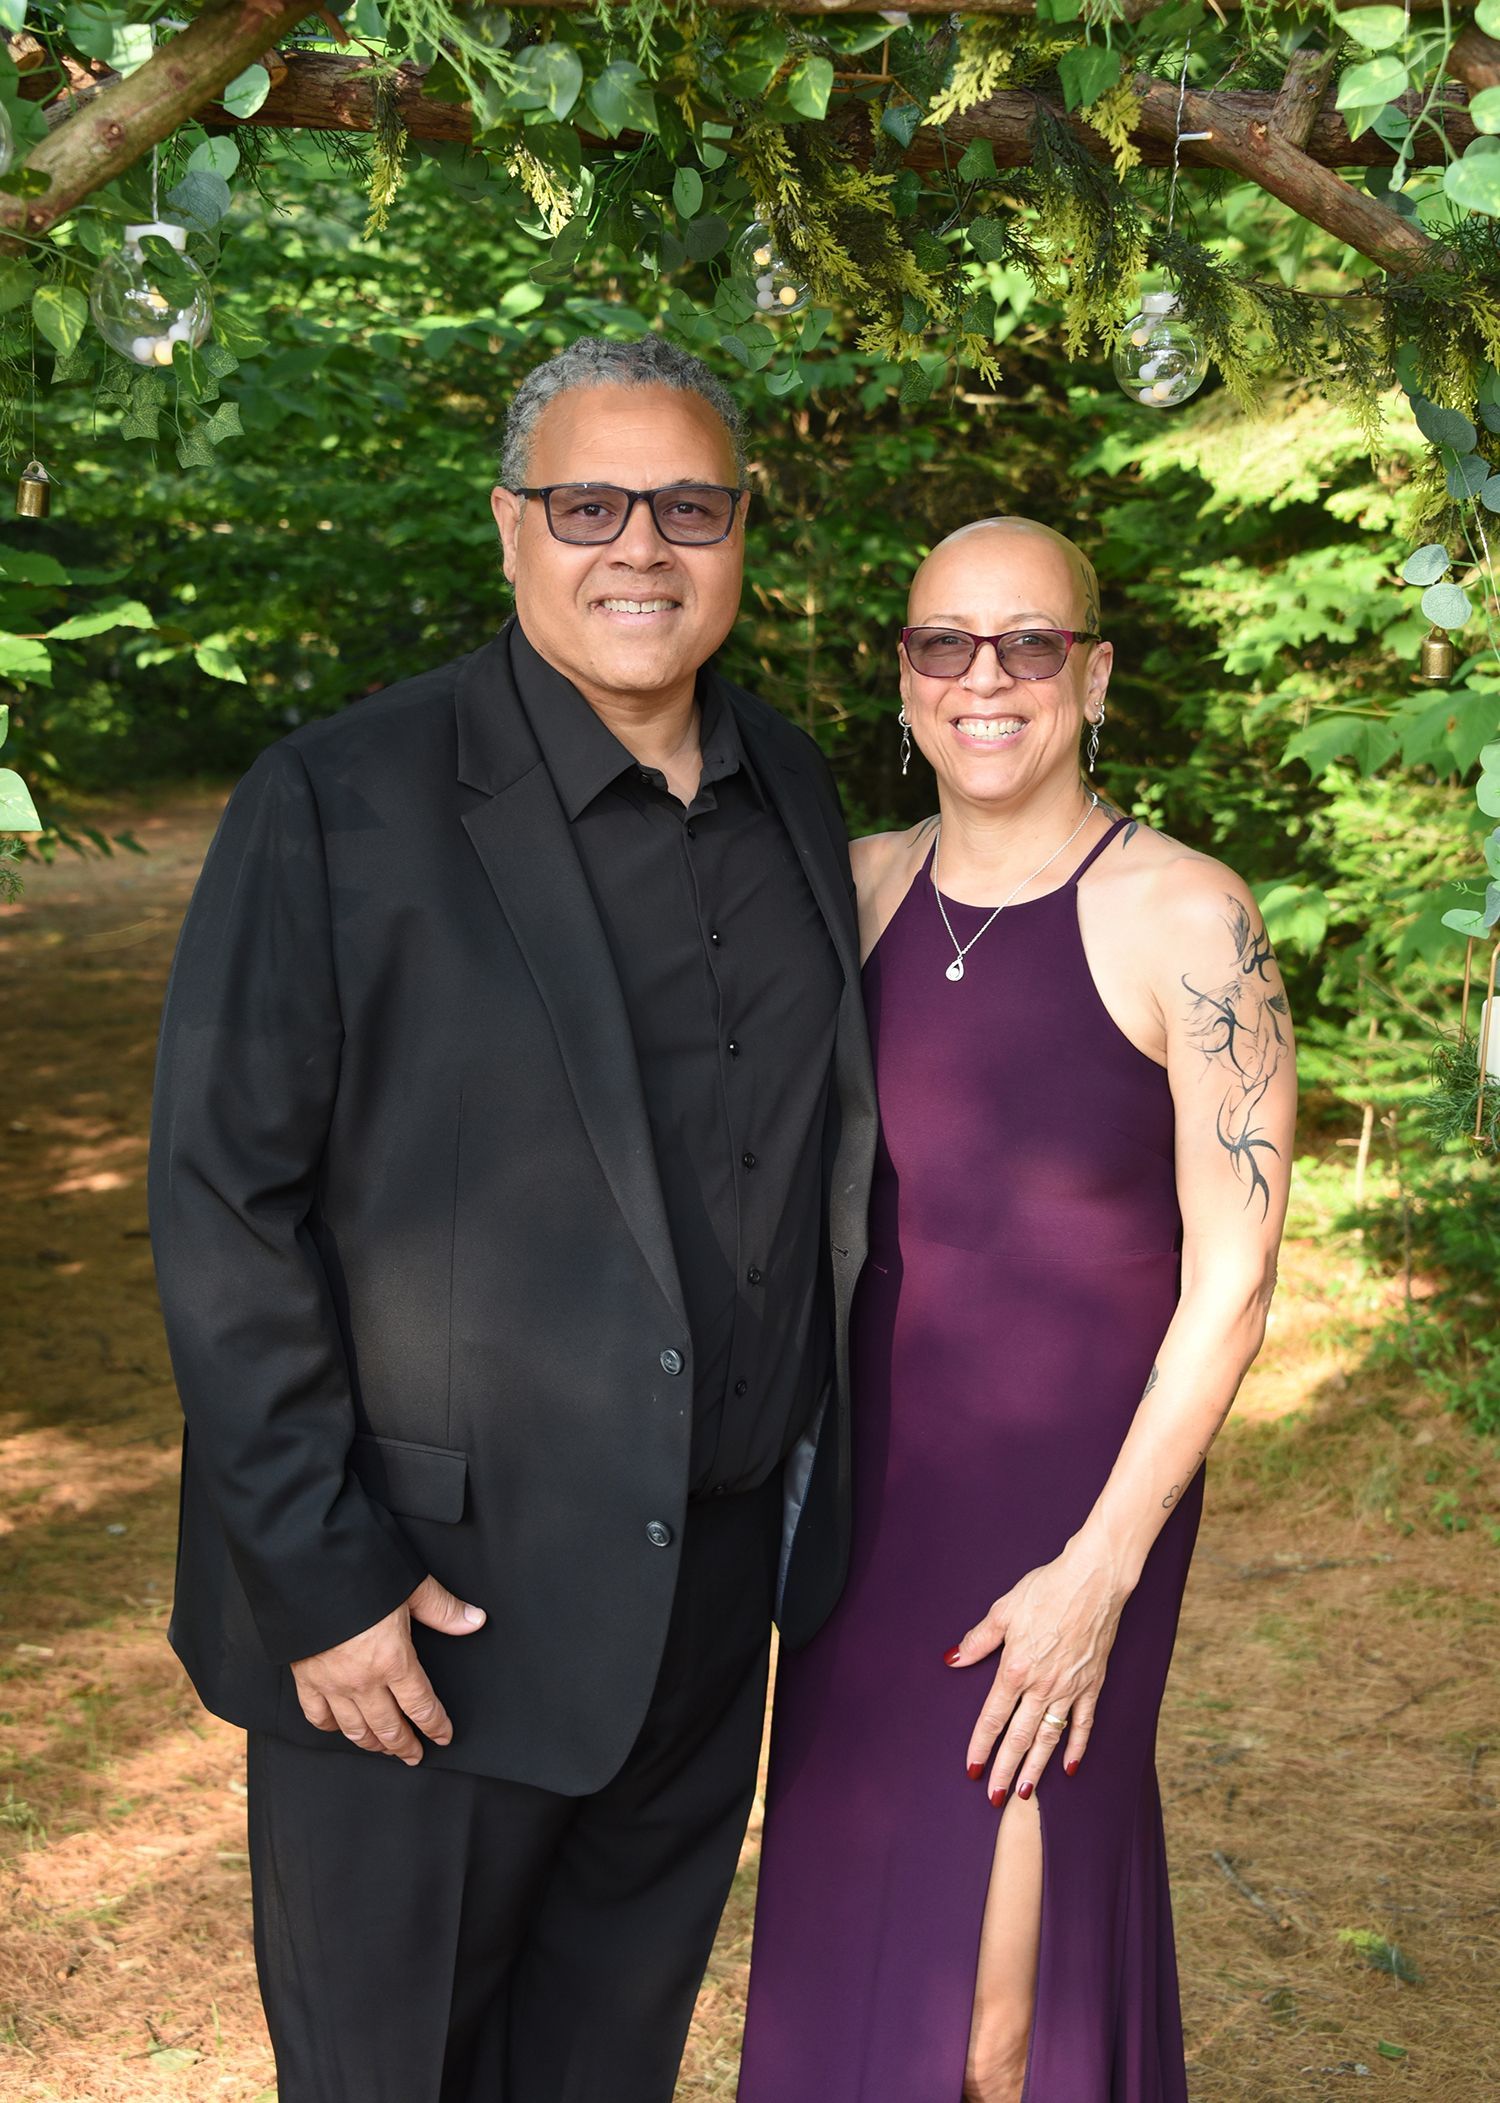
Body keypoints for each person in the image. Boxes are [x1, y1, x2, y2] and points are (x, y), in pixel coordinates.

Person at [148, 333, 875, 2103]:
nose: (641, 545)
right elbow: (224, 1207)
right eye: (588, 503)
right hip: (424, 1619)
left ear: (744, 531)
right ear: (510, 530)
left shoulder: (790, 785)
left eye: (688, 504)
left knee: (603, 2072)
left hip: (702, 1608)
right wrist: (323, 1586)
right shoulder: (338, 803)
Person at [738, 516, 1296, 2103]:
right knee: (863, 1955)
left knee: (998, 2029)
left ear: (1094, 673)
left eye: (1030, 643)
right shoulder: (842, 896)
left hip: (1071, 1512)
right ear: (903, 681)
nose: (987, 678)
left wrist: (1099, 1572)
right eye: (945, 644)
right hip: (864, 1510)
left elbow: (1235, 1275)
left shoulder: (1192, 919)